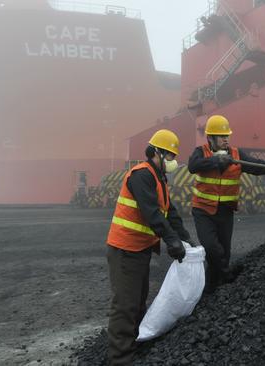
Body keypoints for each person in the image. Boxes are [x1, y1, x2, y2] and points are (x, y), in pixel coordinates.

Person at [105, 129, 194, 366]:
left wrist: (185, 239)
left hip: (139, 249)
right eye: (170, 156)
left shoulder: (158, 178)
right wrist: (171, 241)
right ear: (157, 153)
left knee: (138, 300)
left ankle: (133, 347)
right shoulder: (142, 175)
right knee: (126, 305)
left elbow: (170, 213)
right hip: (125, 249)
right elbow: (152, 213)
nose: (173, 162)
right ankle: (120, 359)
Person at [188, 115, 265, 294]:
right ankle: (227, 276)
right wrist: (217, 160)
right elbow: (193, 165)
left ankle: (210, 292)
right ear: (210, 138)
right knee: (212, 248)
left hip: (225, 212)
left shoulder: (236, 154)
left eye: (227, 136)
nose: (225, 139)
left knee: (224, 254)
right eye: (221, 136)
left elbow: (255, 165)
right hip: (203, 210)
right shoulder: (200, 152)